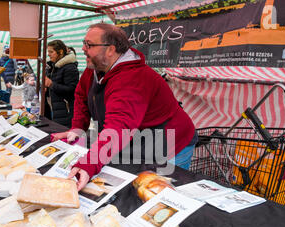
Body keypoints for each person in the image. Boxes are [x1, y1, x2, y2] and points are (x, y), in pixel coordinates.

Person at [51, 23, 197, 191]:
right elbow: (81, 95)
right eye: (84, 43)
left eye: (89, 45)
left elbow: (119, 127)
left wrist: (89, 164)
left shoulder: (132, 78)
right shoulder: (94, 69)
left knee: (159, 195)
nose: (83, 48)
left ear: (110, 50)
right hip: (137, 142)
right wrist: (77, 128)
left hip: (169, 144)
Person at [44, 39, 79, 128]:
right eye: (48, 51)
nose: (48, 54)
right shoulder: (52, 66)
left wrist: (51, 84)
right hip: (54, 109)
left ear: (60, 52)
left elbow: (72, 89)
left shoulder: (70, 68)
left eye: (51, 52)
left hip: (66, 111)